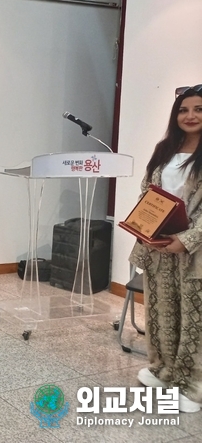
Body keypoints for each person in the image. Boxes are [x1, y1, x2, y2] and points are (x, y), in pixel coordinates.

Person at [129, 84, 202, 413]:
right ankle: (164, 370)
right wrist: (144, 227)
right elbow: (148, 190)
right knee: (161, 314)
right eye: (184, 110)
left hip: (193, 253)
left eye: (199, 109)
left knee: (193, 320)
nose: (190, 116)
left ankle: (193, 386)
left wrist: (185, 240)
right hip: (159, 247)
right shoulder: (165, 148)